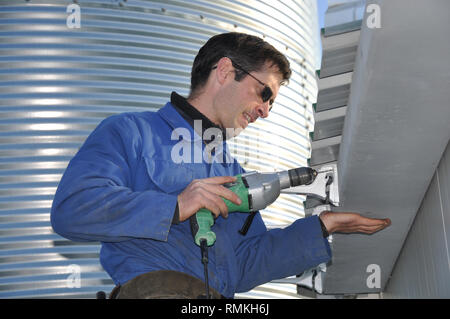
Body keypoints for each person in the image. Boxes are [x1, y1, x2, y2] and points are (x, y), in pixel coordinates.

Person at [51, 32, 391, 299]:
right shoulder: (130, 132)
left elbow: (243, 265)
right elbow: (72, 209)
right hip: (155, 291)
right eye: (264, 93)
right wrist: (175, 205)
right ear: (226, 71)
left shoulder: (231, 169)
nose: (266, 111)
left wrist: (322, 226)